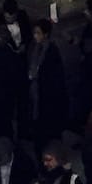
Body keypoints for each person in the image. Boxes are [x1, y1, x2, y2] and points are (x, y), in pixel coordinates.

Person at [28, 18, 68, 153]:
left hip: (49, 98)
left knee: (50, 131)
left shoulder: (51, 51)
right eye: (34, 33)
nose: (35, 36)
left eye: (38, 33)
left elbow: (55, 77)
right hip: (38, 96)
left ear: (45, 34)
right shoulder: (35, 48)